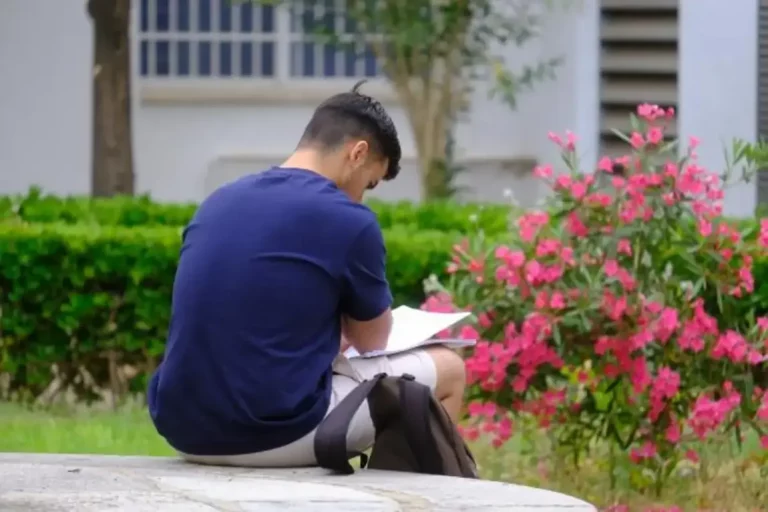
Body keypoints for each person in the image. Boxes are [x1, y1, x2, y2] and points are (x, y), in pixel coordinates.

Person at [147, 82, 467, 467]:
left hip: (183, 430)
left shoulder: (219, 201)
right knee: (450, 368)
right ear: (358, 153)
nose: (362, 197)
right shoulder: (349, 219)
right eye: (369, 183)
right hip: (277, 433)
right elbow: (371, 341)